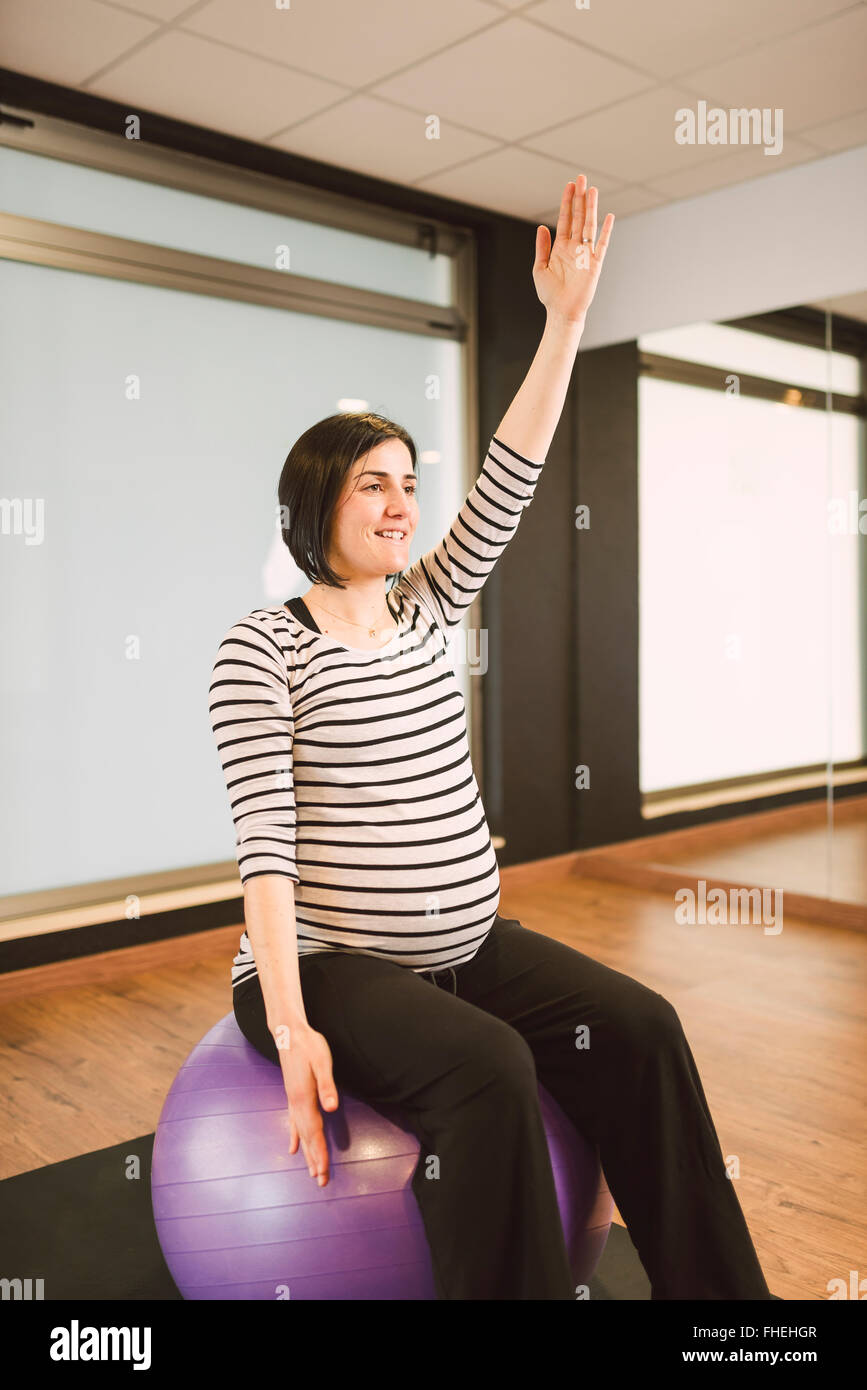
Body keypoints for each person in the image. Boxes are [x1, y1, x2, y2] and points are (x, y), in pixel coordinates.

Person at [208, 177, 776, 1300]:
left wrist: (565, 320)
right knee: (492, 1070)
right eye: (374, 483)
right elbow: (264, 849)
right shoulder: (259, 646)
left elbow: (512, 473)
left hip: (467, 949)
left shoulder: (428, 600)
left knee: (643, 1026)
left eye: (410, 484)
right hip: (333, 970)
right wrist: (289, 1024)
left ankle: (733, 1323)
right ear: (314, 503)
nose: (402, 503)